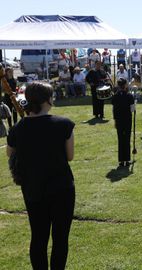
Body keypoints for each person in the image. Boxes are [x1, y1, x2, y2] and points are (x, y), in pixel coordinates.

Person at [6, 82, 75, 269]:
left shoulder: (17, 129)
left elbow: (9, 153)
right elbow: (69, 156)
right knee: (60, 238)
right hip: (61, 187)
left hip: (33, 187)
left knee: (38, 236)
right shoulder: (64, 124)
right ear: (48, 99)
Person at [111, 78, 135, 167]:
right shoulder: (129, 96)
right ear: (125, 85)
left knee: (121, 139)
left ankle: (121, 160)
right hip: (127, 120)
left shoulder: (115, 96)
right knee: (127, 139)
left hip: (119, 120)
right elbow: (132, 109)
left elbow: (113, 109)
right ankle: (127, 160)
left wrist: (115, 120)